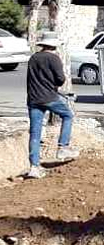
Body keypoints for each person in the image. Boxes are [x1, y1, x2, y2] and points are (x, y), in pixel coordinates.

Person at [25, 31, 79, 179]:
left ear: (43, 45)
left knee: (35, 133)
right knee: (68, 115)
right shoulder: (54, 58)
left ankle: (34, 167)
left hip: (33, 99)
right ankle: (63, 147)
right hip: (49, 97)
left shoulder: (33, 58)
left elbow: (31, 79)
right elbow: (60, 79)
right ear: (54, 46)